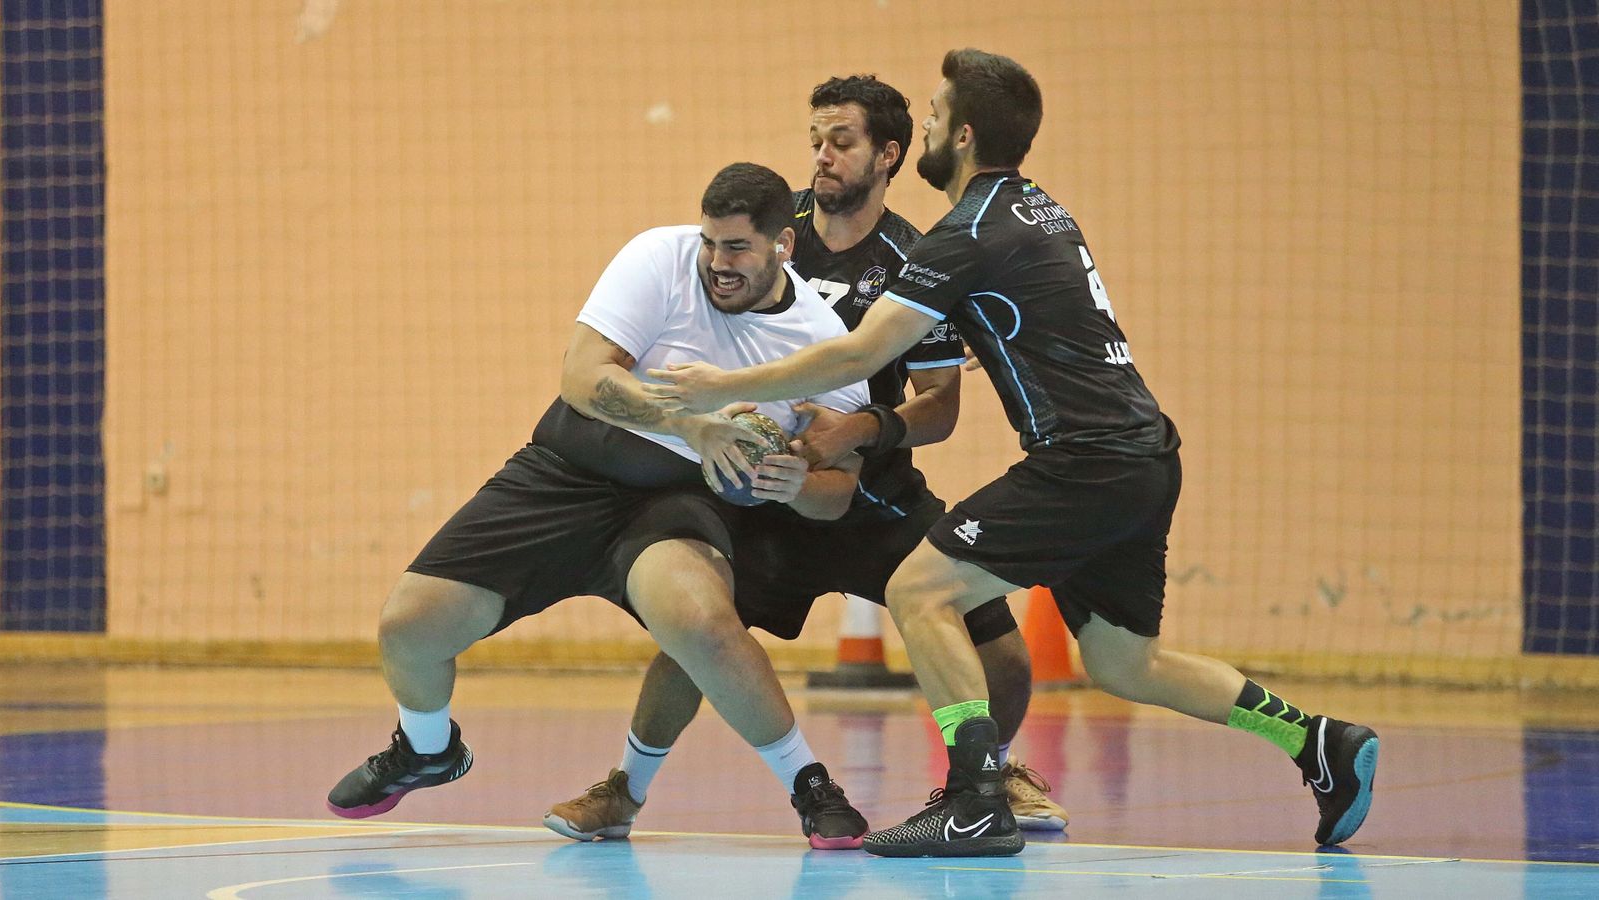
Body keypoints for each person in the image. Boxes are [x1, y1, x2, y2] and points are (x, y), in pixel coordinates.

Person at [644, 49, 1380, 858]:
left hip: (1085, 461)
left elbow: (857, 358)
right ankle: (1318, 741)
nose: (921, 124)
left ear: (960, 135)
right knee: (1126, 664)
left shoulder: (963, 236)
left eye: (930, 114)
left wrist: (719, 387)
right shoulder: (1040, 208)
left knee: (919, 590)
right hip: (1145, 458)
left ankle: (973, 800)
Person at [542, 75, 1068, 844]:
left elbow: (940, 407)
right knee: (698, 636)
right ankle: (625, 791)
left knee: (1003, 651)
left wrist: (853, 435)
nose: (821, 156)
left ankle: (984, 784)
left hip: (867, 489)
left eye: (842, 141)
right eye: (815, 140)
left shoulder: (918, 259)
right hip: (759, 486)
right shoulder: (766, 224)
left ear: (888, 155)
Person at [326, 162, 876, 849]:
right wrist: (689, 423)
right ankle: (426, 748)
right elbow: (582, 378)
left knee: (701, 622)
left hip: (675, 502)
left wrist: (798, 485)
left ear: (782, 247)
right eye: (709, 243)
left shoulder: (825, 345)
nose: (717, 263)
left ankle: (810, 784)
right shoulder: (657, 258)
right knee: (409, 627)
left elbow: (838, 494)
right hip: (565, 471)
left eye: (737, 248)